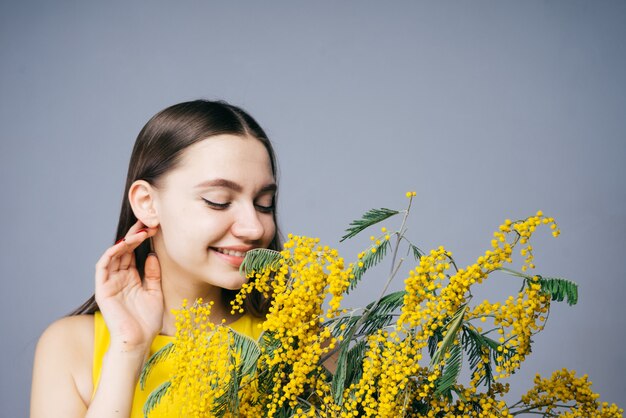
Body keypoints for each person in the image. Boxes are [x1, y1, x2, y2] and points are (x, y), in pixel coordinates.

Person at [30, 100, 281, 418]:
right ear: (147, 203)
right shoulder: (70, 346)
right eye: (218, 201)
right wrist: (128, 350)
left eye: (264, 204)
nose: (254, 227)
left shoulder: (298, 344)